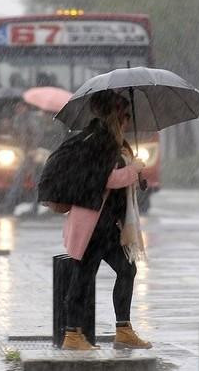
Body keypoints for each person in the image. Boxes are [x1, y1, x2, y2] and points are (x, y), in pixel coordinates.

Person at [38, 90, 151, 351]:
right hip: (93, 222)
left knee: (125, 270)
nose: (128, 121)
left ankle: (122, 330)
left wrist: (135, 172)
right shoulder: (99, 140)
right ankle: (72, 335)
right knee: (84, 276)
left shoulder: (112, 141)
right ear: (116, 115)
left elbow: (116, 176)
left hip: (106, 223)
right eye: (126, 115)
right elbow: (107, 179)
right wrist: (132, 171)